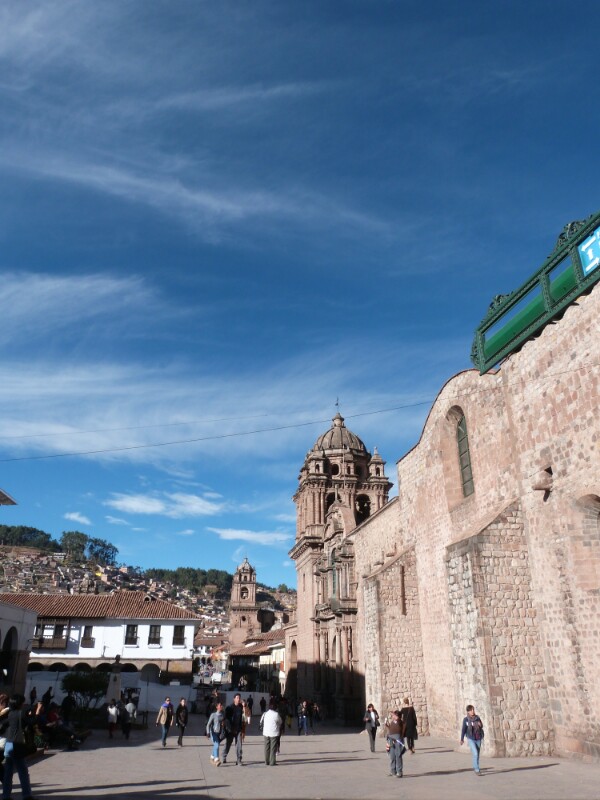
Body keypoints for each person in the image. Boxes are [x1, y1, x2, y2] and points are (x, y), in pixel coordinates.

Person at [2, 693, 34, 800]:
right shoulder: (21, 714)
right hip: (17, 745)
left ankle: (6, 796)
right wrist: (36, 713)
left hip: (8, 745)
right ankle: (27, 795)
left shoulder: (9, 714)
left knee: (8, 772)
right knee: (23, 772)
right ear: (20, 703)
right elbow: (31, 723)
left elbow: (3, 725)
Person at [460, 704, 484, 776]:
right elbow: (463, 729)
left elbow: (481, 726)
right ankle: (477, 769)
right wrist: (462, 739)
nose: (473, 711)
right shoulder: (466, 720)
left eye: (473, 709)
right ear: (468, 712)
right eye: (471, 710)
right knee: (475, 753)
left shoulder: (477, 718)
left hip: (478, 738)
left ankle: (475, 766)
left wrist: (480, 725)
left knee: (477, 755)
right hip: (471, 738)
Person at [223, 693, 244, 765]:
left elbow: (241, 718)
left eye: (239, 698)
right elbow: (226, 719)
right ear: (234, 699)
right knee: (228, 744)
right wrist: (229, 729)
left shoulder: (240, 708)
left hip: (238, 729)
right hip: (231, 730)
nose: (238, 699)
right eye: (237, 698)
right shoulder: (229, 708)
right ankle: (224, 756)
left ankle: (239, 759)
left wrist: (242, 728)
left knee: (239, 745)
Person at [260, 699, 282, 766]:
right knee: (273, 748)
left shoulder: (265, 713)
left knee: (266, 747)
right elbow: (280, 722)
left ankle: (266, 761)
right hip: (274, 733)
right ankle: (272, 762)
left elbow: (261, 722)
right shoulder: (276, 714)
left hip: (266, 732)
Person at [385, 709, 406, 778]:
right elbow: (390, 729)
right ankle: (393, 770)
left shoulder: (400, 722)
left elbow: (399, 723)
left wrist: (394, 714)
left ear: (398, 716)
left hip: (398, 740)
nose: (393, 716)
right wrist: (387, 726)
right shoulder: (393, 722)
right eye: (393, 715)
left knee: (398, 755)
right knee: (392, 755)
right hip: (391, 739)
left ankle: (399, 772)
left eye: (395, 715)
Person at [206, 701, 224, 766]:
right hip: (213, 732)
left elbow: (222, 724)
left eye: (221, 705)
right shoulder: (213, 715)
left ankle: (211, 757)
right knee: (217, 745)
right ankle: (216, 759)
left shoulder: (222, 715)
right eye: (219, 705)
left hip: (218, 733)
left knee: (216, 745)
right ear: (217, 707)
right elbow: (208, 724)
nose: (221, 706)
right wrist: (208, 733)